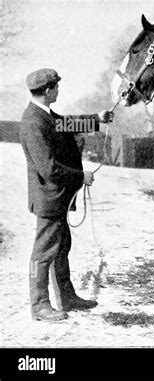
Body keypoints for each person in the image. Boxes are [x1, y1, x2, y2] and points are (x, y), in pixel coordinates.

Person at [20, 68, 114, 321]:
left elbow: (66, 124)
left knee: (61, 247)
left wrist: (98, 118)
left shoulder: (45, 115)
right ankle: (39, 305)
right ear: (48, 90)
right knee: (43, 253)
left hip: (57, 198)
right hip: (48, 199)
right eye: (56, 87)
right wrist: (80, 176)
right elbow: (49, 168)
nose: (59, 90)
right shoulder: (33, 122)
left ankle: (67, 297)